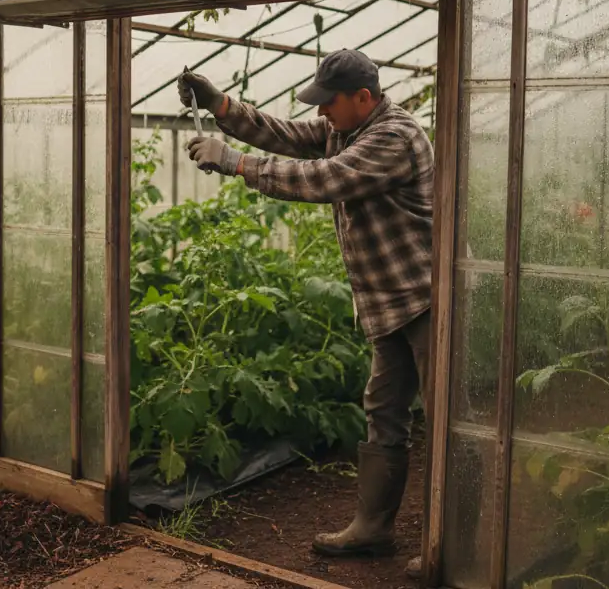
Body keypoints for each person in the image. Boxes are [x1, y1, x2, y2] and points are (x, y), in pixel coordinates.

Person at [178, 48, 436, 578]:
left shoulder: (393, 138)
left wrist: (234, 162)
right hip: (389, 304)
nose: (322, 114)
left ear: (363, 97)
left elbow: (323, 180)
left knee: (447, 422)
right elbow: (287, 136)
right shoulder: (348, 127)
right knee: (384, 412)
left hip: (426, 301)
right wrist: (221, 104)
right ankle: (373, 529)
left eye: (330, 103)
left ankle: (453, 545)